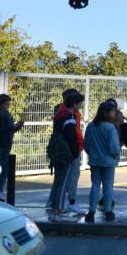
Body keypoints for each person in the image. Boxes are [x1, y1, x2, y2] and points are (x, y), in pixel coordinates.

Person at [48, 90, 83, 220]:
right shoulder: (70, 118)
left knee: (58, 181)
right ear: (74, 104)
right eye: (79, 103)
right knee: (63, 183)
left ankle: (55, 206)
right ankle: (59, 208)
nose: (80, 106)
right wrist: (74, 153)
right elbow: (71, 137)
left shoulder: (59, 115)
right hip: (66, 153)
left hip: (58, 151)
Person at [84, 100, 120, 223]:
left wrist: (92, 154)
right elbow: (114, 147)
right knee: (108, 186)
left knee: (95, 185)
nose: (115, 114)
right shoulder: (110, 128)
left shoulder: (91, 126)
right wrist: (116, 156)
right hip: (108, 161)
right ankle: (108, 210)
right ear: (107, 113)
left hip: (94, 160)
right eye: (113, 112)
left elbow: (86, 144)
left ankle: (91, 211)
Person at [0, 93, 24, 200]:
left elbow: (8, 130)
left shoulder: (6, 114)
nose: (8, 106)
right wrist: (11, 127)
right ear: (0, 104)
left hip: (6, 144)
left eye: (8, 104)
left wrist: (16, 127)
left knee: (5, 169)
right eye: (6, 104)